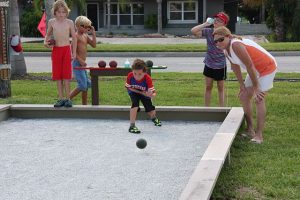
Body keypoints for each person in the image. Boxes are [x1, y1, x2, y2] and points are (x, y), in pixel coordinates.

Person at [213, 26, 277, 144]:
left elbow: (250, 66)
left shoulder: (236, 45)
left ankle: (259, 135)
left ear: (228, 36)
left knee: (259, 99)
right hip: (255, 70)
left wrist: (257, 88)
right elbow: (235, 67)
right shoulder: (226, 50)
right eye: (215, 41)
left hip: (267, 68)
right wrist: (241, 85)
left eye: (221, 39)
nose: (218, 43)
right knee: (243, 96)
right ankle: (250, 130)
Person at [191, 12, 230, 107]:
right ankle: (206, 109)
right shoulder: (209, 31)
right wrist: (205, 24)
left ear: (224, 24)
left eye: (220, 21)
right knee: (208, 87)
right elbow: (193, 31)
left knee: (221, 88)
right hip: (209, 63)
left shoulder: (226, 34)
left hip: (220, 65)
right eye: (216, 19)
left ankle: (221, 109)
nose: (216, 21)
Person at [44, 0, 77, 107]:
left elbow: (74, 39)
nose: (61, 14)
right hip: (56, 51)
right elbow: (47, 36)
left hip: (66, 50)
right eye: (59, 12)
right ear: (55, 12)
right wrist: (46, 43)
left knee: (66, 76)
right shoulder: (51, 22)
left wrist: (74, 52)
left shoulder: (69, 22)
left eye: (63, 12)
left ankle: (68, 99)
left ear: (66, 12)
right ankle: (60, 99)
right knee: (58, 77)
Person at [125, 59, 161, 134]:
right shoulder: (130, 76)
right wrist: (141, 92)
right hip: (134, 92)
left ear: (144, 72)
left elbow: (154, 93)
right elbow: (129, 87)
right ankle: (132, 126)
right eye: (135, 73)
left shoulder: (148, 79)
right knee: (135, 105)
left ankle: (154, 118)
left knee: (150, 110)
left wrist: (150, 95)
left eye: (140, 74)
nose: (137, 76)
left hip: (145, 93)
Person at [69, 16, 96, 105]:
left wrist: (93, 33)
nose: (85, 28)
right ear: (76, 26)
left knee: (87, 85)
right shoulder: (76, 36)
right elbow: (72, 50)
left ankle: (84, 105)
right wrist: (80, 60)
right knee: (82, 85)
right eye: (83, 26)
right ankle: (66, 99)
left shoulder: (85, 35)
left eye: (87, 26)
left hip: (82, 65)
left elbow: (94, 45)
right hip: (77, 64)